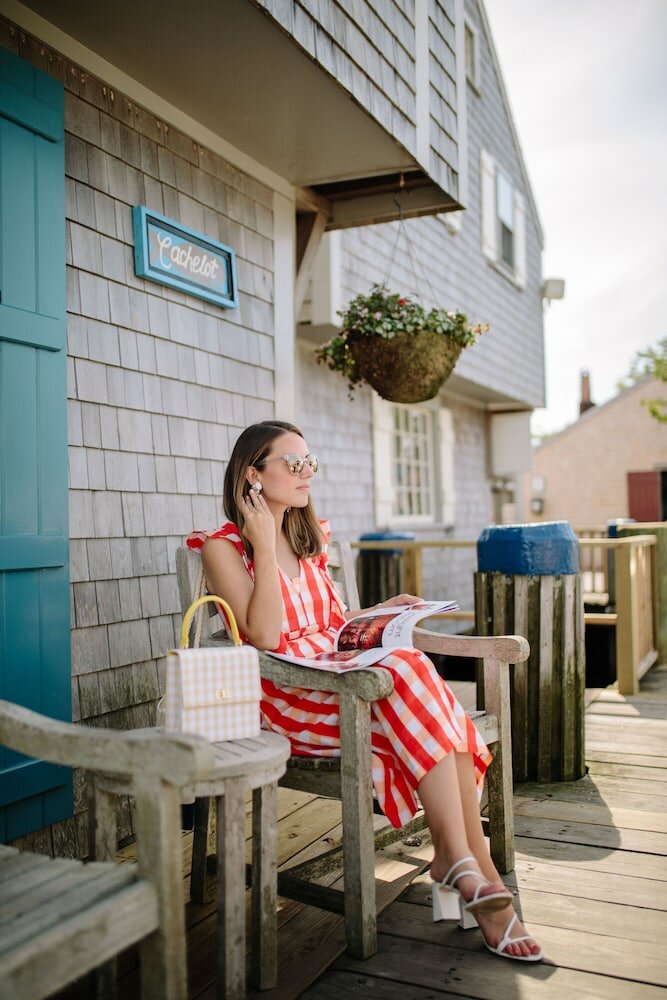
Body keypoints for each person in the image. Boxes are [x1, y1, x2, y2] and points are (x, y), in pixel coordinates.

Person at [187, 420, 542, 962]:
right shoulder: (224, 547)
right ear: (252, 475)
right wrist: (260, 544)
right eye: (294, 463)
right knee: (416, 681)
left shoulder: (307, 539)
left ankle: (464, 862)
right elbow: (262, 637)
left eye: (311, 462)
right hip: (288, 694)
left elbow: (330, 622)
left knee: (411, 670)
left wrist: (379, 614)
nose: (308, 473)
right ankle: (470, 868)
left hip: (343, 677)